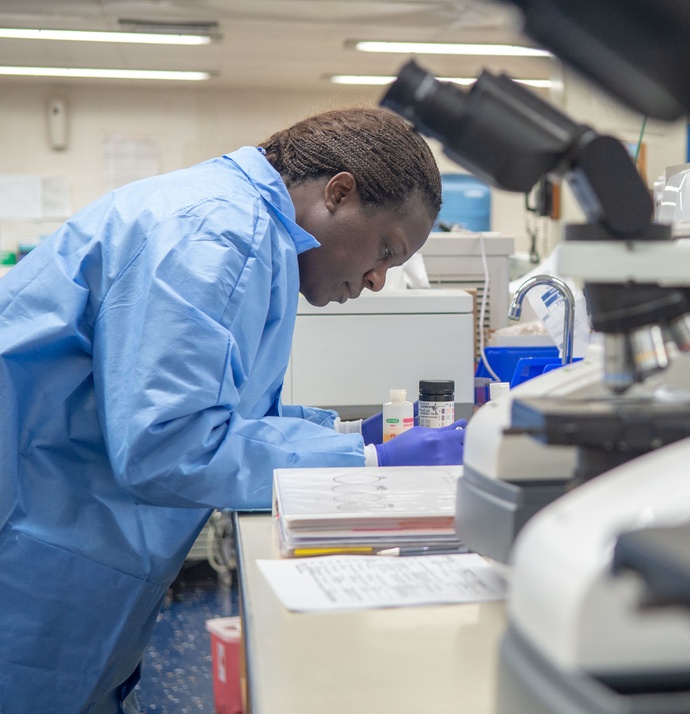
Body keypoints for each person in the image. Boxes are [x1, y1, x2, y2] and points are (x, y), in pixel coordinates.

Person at [0, 106, 466, 713]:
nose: (378, 280)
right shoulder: (215, 232)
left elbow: (225, 408)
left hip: (66, 536)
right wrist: (366, 458)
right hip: (31, 552)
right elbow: (168, 446)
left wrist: (346, 431)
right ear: (340, 192)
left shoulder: (246, 226)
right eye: (385, 249)